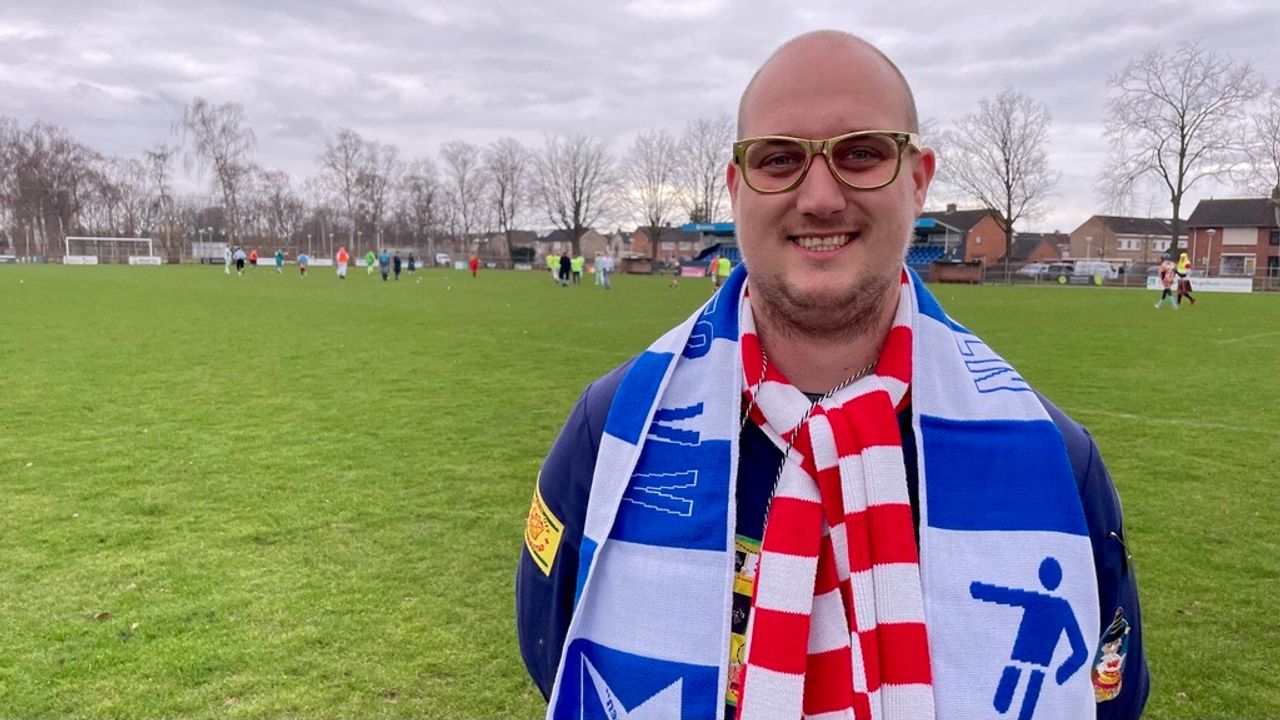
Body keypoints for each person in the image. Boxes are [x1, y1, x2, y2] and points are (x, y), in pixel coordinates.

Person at [516, 30, 1147, 720]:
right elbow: (561, 657)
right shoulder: (612, 434)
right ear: (736, 188)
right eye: (779, 159)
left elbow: (1101, 694)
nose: (819, 197)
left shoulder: (1055, 463)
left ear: (918, 179)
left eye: (862, 154)